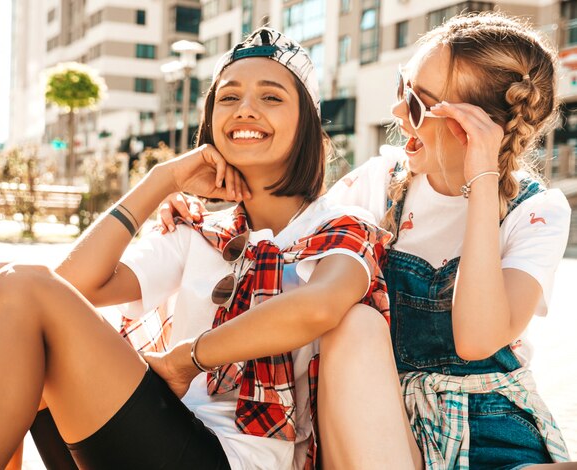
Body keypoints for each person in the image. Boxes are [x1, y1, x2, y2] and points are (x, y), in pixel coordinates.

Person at [0, 28, 418, 469]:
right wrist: (162, 180)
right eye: (229, 97)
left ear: (307, 125)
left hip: (236, 455)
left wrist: (186, 359)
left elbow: (316, 308)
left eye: (271, 97)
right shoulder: (195, 229)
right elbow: (71, 288)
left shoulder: (341, 227)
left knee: (20, 287)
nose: (245, 109)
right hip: (150, 431)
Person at [159, 13, 573, 469]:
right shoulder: (380, 185)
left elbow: (475, 340)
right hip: (376, 422)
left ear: (475, 126)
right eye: (402, 89)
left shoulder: (537, 211)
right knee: (354, 321)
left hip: (492, 431)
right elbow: (288, 239)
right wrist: (204, 216)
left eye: (416, 104)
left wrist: (482, 179)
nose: (397, 114)